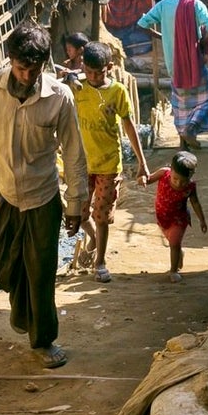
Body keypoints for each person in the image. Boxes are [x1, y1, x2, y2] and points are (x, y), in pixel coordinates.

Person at [0, 23, 88, 368]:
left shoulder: (59, 97)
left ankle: (43, 340)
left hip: (42, 196)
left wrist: (76, 203)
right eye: (20, 68)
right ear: (10, 60)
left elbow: (74, 153)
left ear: (44, 64)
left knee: (41, 271)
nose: (26, 76)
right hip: (2, 191)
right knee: (5, 265)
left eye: (33, 69)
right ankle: (22, 313)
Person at [68, 42, 150, 283]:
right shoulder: (77, 88)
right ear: (83, 66)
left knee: (102, 216)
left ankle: (100, 262)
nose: (93, 77)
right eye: (89, 72)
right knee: (79, 215)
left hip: (108, 164)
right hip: (81, 165)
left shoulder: (118, 92)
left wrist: (142, 163)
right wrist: (70, 77)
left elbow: (129, 126)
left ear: (110, 68)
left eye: (99, 72)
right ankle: (92, 238)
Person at [137, 0, 208, 150]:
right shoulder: (195, 4)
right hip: (194, 63)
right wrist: (204, 41)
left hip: (173, 64)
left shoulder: (164, 4)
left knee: (181, 104)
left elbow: (142, 24)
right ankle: (191, 129)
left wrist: (161, 35)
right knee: (206, 96)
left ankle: (184, 142)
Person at [140, 151, 206, 283]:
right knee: (173, 243)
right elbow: (148, 179)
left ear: (190, 176)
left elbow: (195, 203)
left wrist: (202, 220)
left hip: (178, 218)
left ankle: (173, 270)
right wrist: (142, 179)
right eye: (175, 178)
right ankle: (178, 253)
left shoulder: (190, 187)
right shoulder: (163, 173)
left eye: (183, 181)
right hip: (162, 216)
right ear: (171, 170)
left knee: (174, 243)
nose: (178, 183)